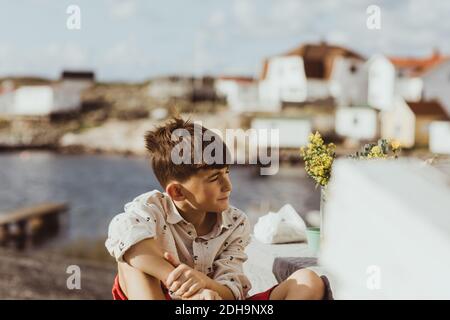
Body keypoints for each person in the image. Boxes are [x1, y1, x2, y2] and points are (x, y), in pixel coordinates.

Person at [105, 117, 324, 300]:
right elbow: (122, 231)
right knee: (130, 262)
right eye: (214, 178)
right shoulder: (151, 210)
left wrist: (204, 284)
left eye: (227, 172)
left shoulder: (235, 222)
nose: (227, 185)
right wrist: (180, 280)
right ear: (178, 193)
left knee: (308, 281)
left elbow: (232, 291)